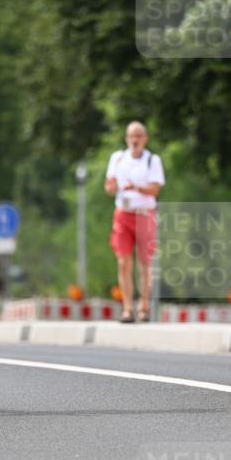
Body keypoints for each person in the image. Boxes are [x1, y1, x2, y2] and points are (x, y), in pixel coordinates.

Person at [104, 121, 164, 323]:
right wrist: (111, 186)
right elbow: (109, 186)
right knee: (123, 261)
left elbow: (155, 189)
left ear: (145, 139)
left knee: (144, 263)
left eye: (138, 136)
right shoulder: (118, 158)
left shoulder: (152, 160)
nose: (135, 140)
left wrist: (137, 188)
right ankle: (127, 308)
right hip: (123, 213)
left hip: (145, 213)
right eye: (131, 136)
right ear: (126, 139)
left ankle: (144, 306)